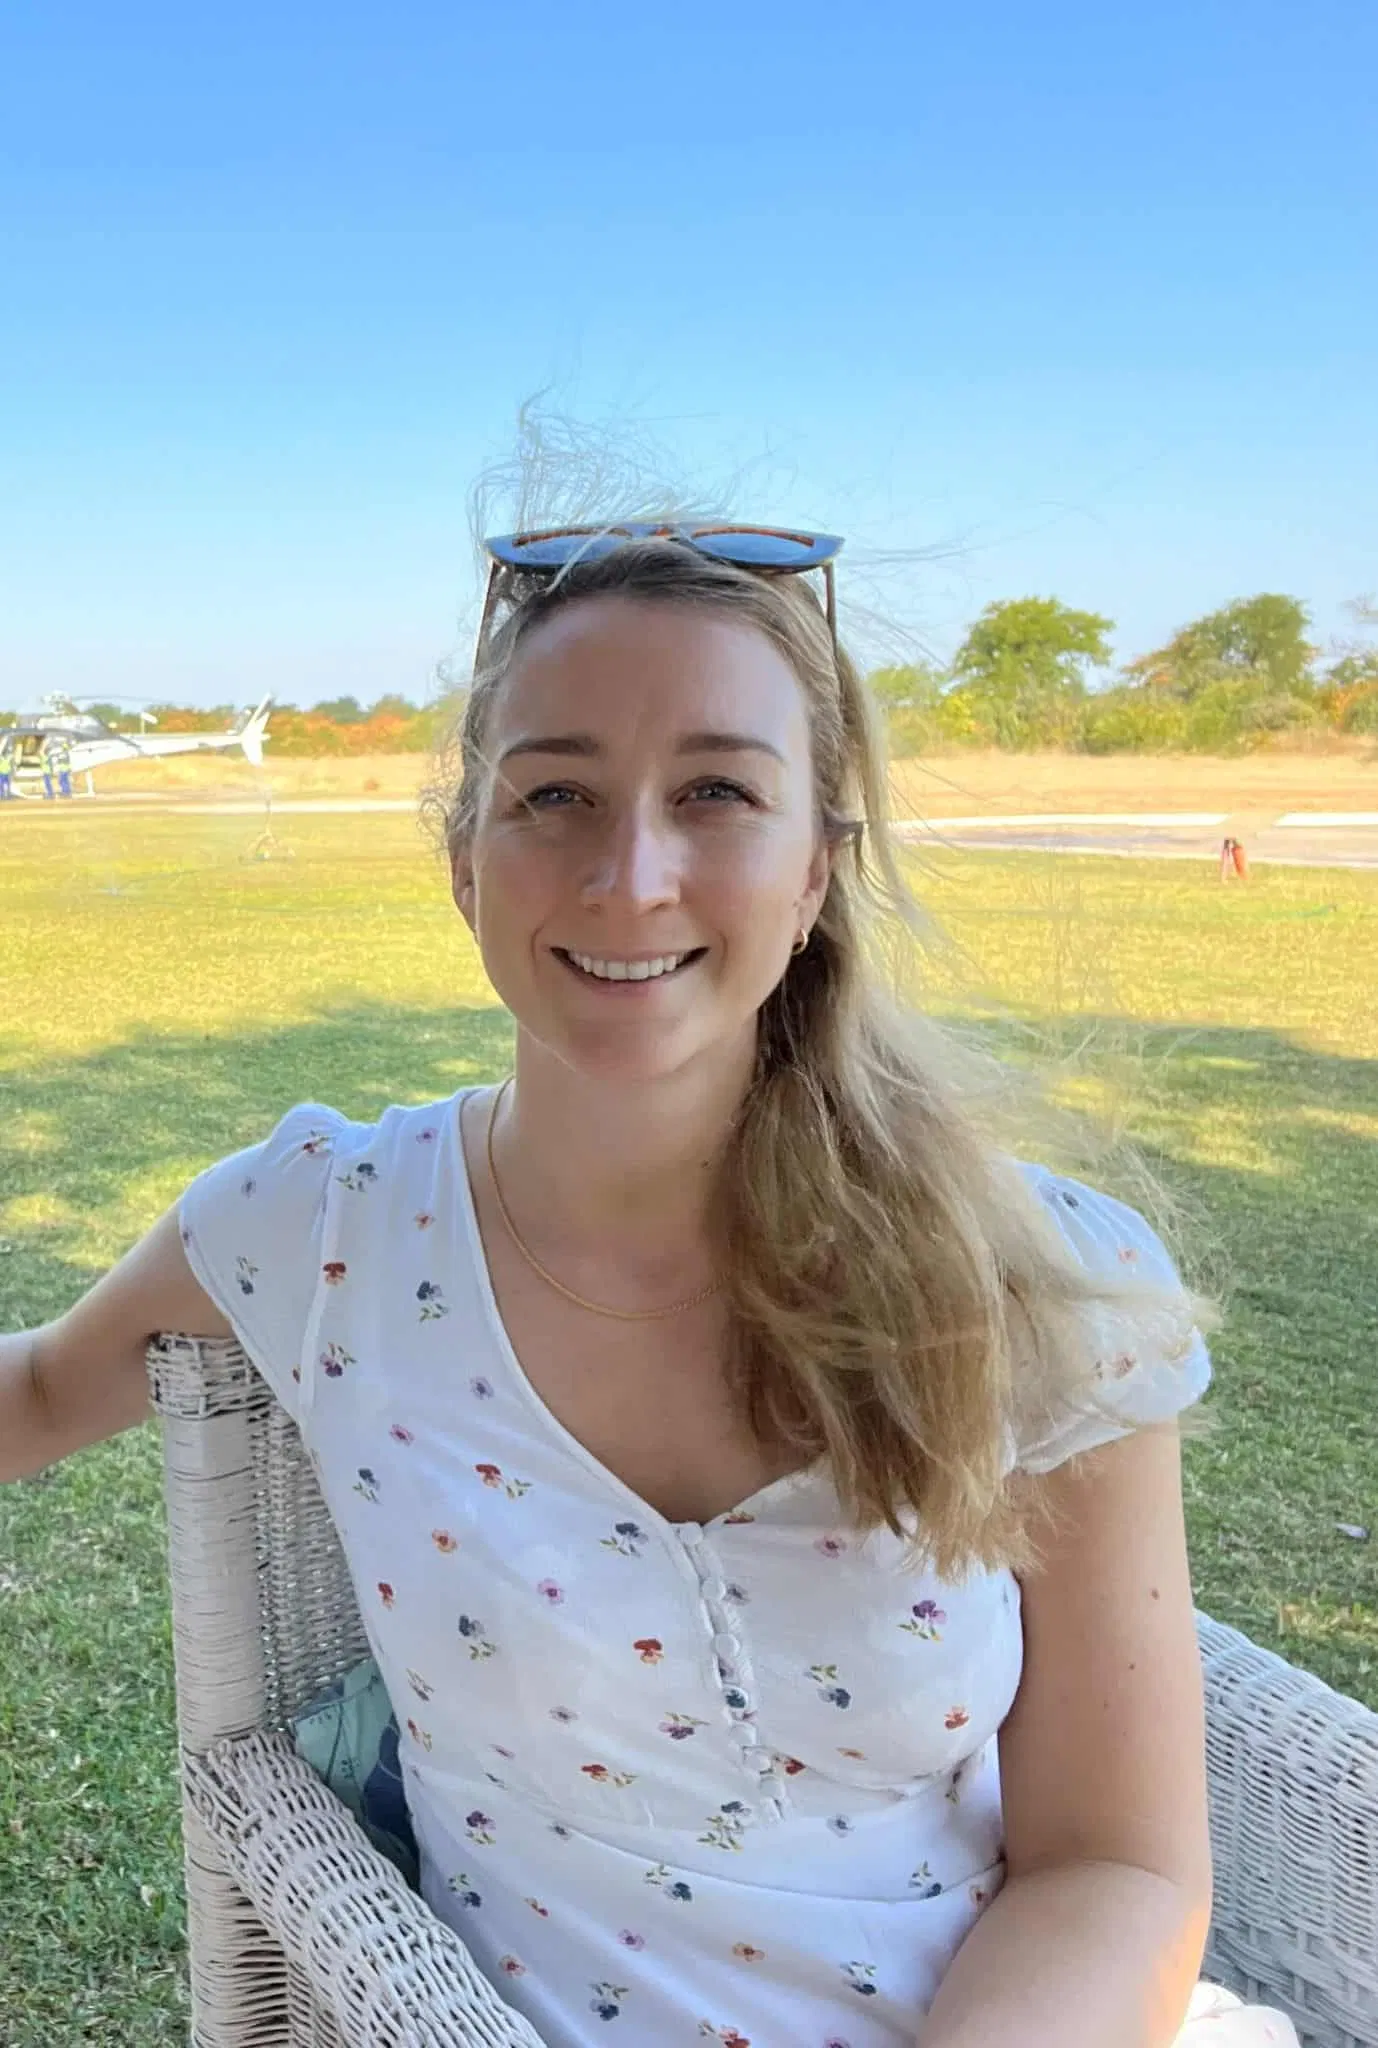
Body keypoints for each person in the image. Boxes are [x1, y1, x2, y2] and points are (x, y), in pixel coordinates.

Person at [0, 523, 1299, 2048]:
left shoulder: (1034, 1285)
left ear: (814, 870)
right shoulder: (329, 1229)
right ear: (463, 861)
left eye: (716, 793)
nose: (630, 878)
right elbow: (40, 1387)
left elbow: (1115, 1867)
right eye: (554, 794)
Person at [42, 730, 73, 799]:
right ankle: (66, 792)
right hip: (64, 769)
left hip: (64, 769)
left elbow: (62, 761)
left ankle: (66, 792)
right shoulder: (64, 753)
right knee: (64, 780)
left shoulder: (63, 754)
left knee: (62, 780)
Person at [0, 726, 16, 798]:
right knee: (2, 784)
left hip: (6, 773)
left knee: (7, 784)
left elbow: (11, 754)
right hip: (3, 773)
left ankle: (7, 794)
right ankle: (2, 794)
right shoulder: (3, 758)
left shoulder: (7, 758)